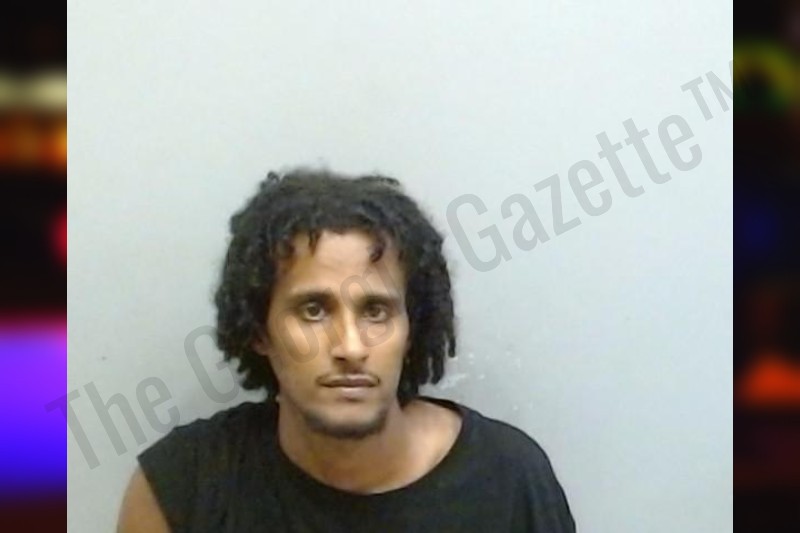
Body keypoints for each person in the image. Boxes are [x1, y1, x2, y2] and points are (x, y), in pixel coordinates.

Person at [117, 169, 576, 532]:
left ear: (412, 329)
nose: (350, 347)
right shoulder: (185, 486)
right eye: (313, 310)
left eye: (376, 311)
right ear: (260, 331)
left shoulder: (509, 480)